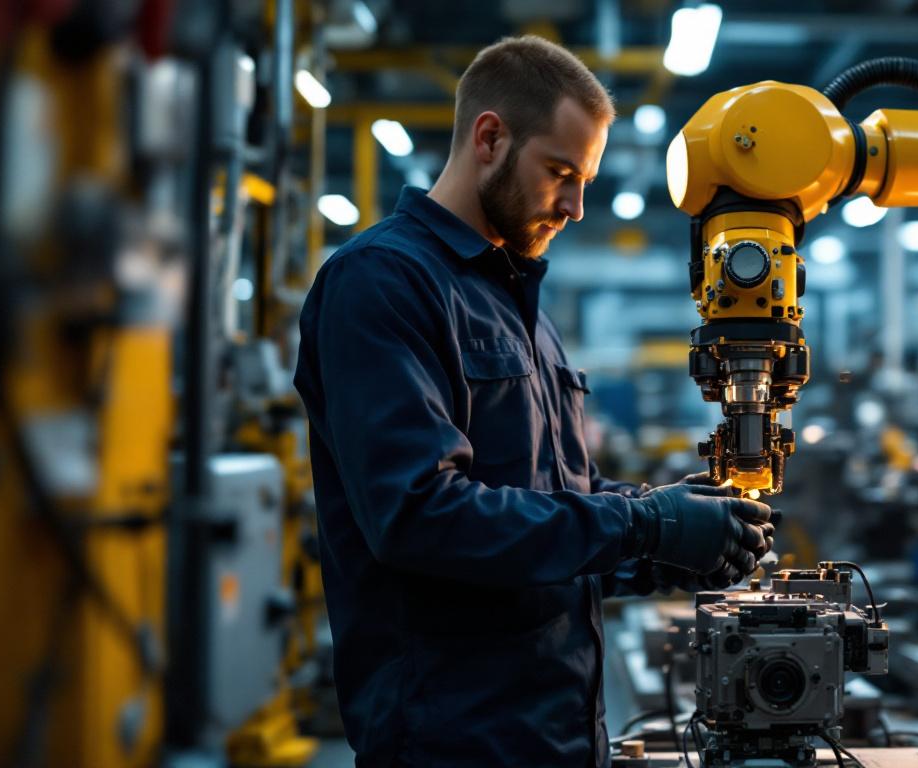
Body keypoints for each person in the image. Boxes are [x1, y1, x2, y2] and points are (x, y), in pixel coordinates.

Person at [293, 36, 774, 767]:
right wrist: (641, 525)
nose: (578, 207)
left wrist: (675, 543)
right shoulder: (381, 285)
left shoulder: (520, 306)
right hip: (450, 742)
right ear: (489, 138)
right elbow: (420, 516)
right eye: (561, 172)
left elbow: (547, 510)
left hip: (563, 735)